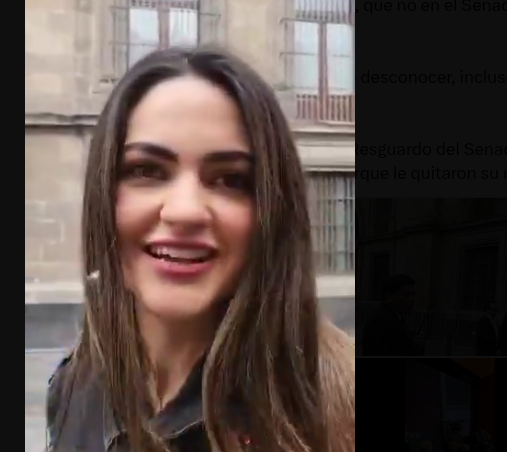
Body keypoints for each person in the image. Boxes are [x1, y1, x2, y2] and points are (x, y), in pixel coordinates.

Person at [45, 46, 355, 452]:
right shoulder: (74, 385)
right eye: (146, 170)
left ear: (274, 210)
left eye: (230, 179)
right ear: (103, 195)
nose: (185, 211)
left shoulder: (338, 413)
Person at [362, 274, 426, 356]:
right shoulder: (382, 321)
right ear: (389, 297)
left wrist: (416, 347)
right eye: (406, 295)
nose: (411, 299)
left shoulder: (396, 317)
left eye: (413, 295)